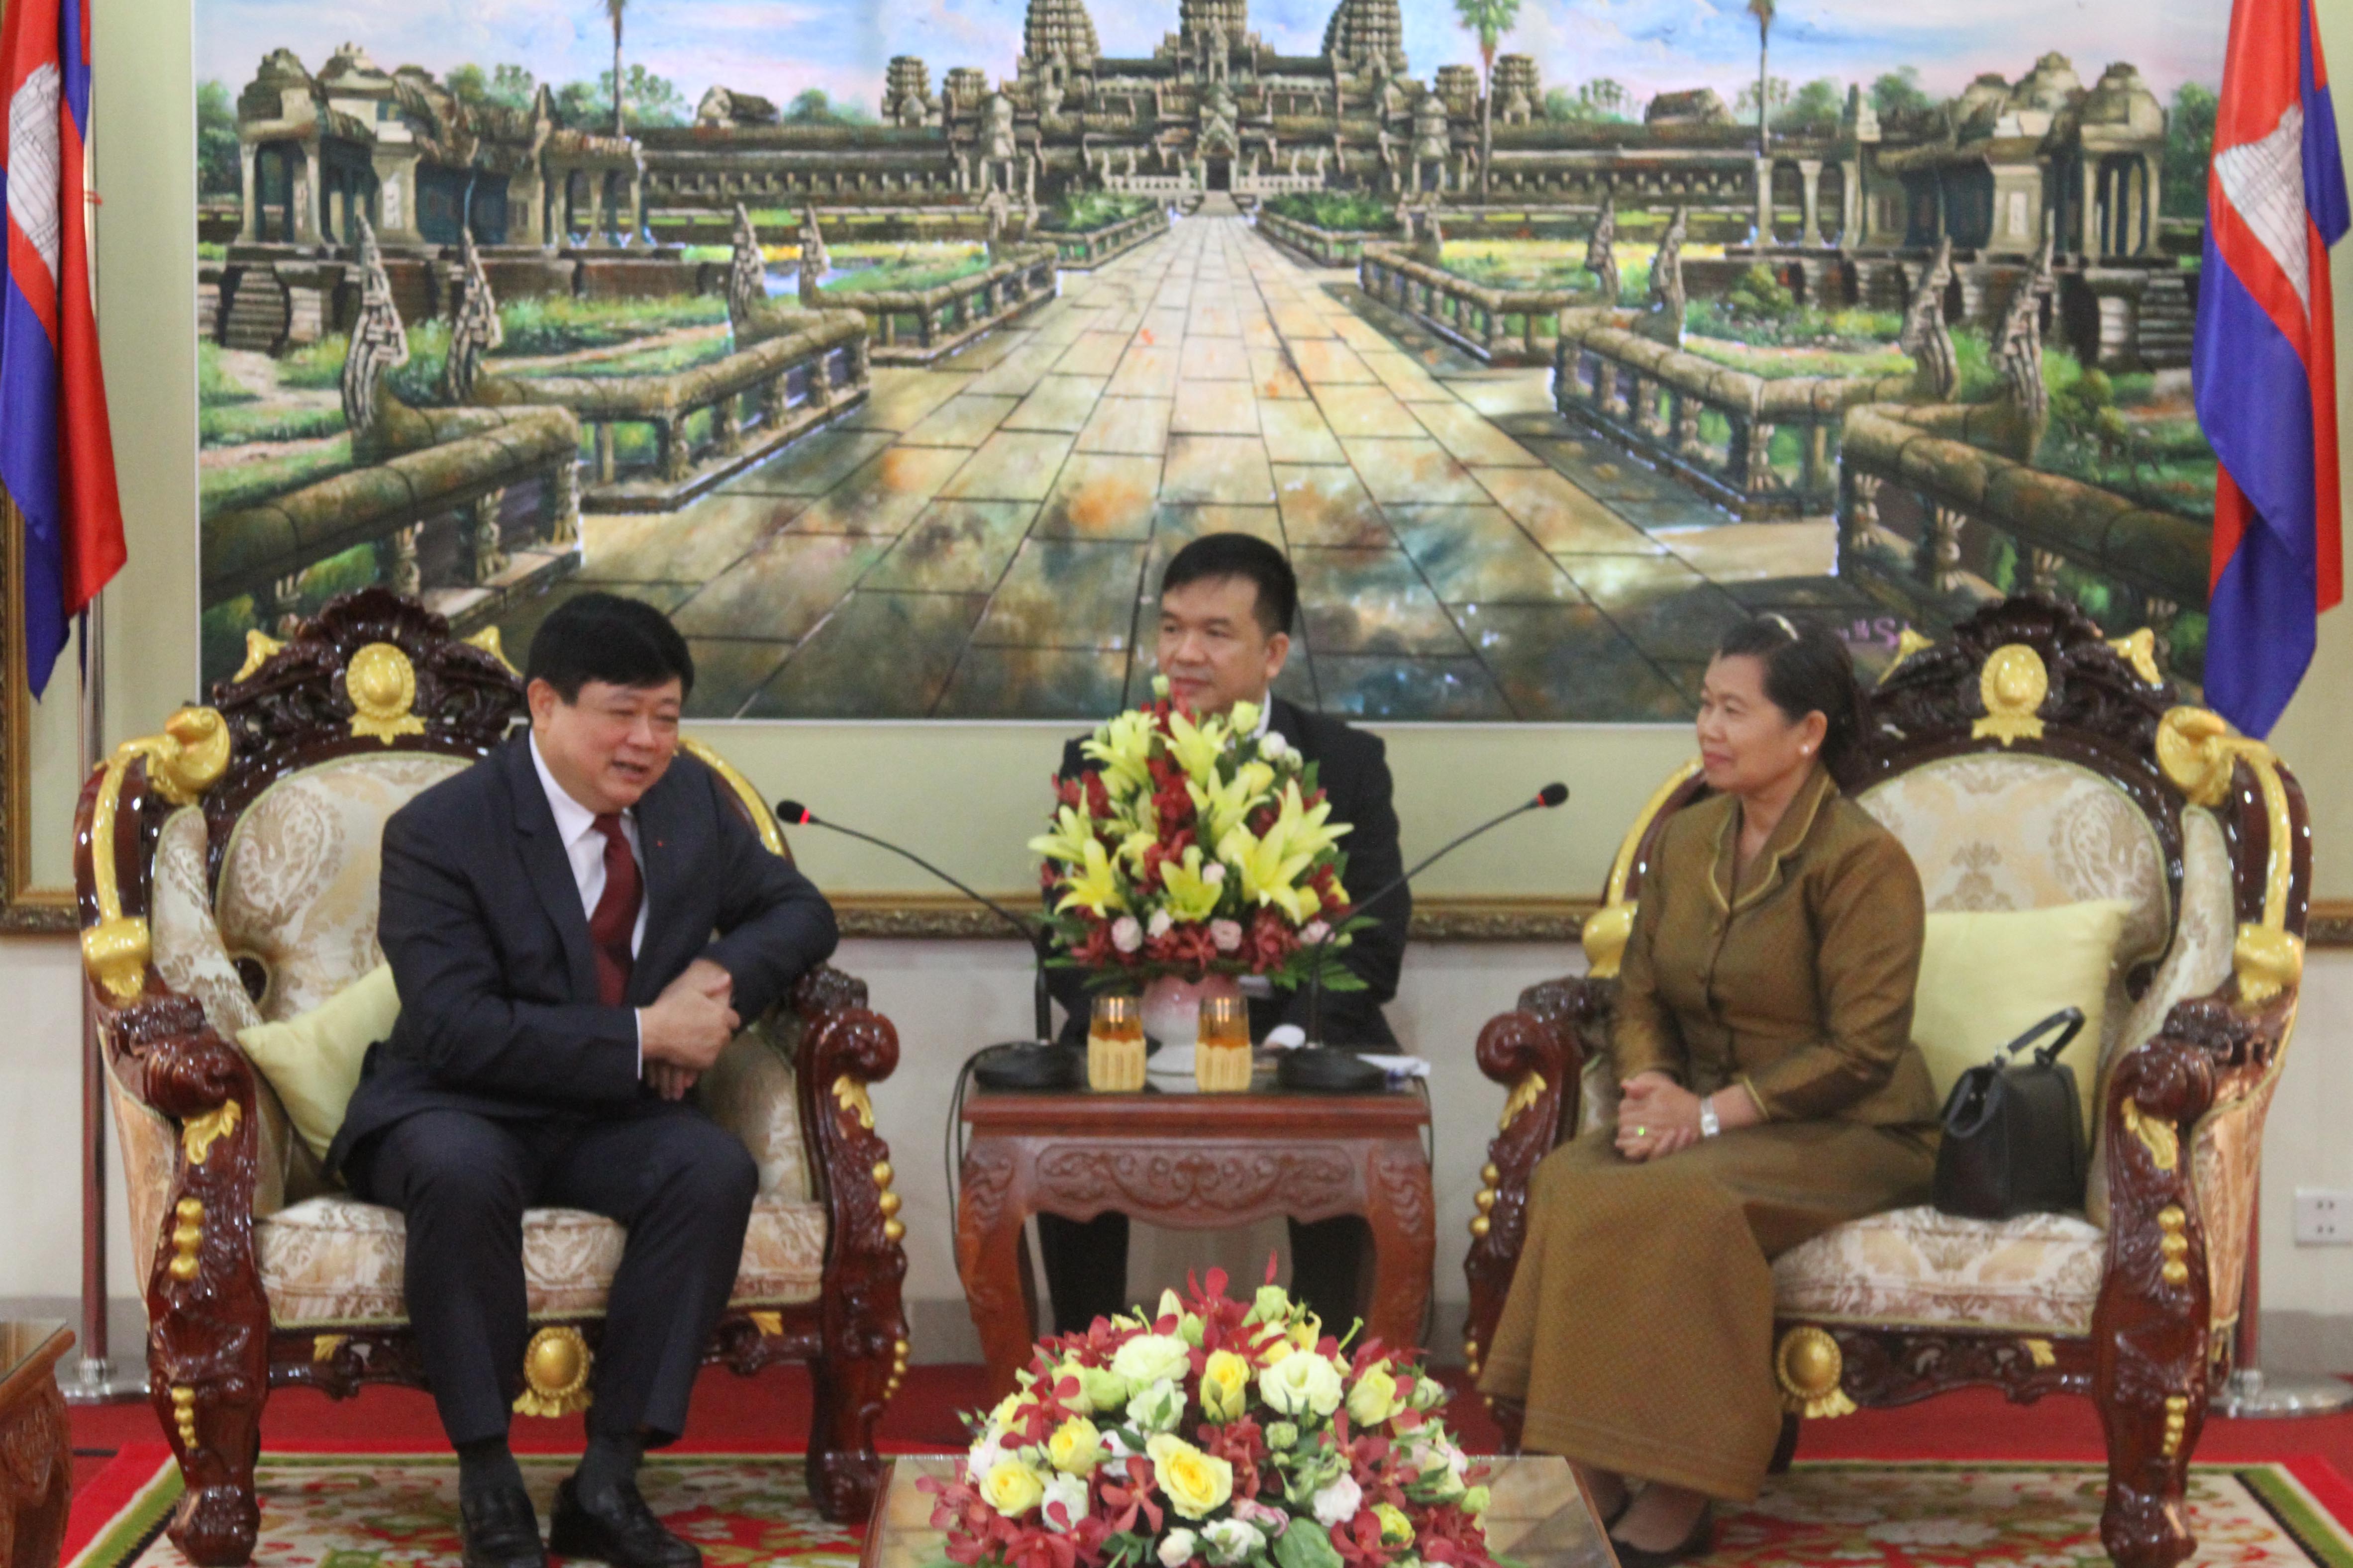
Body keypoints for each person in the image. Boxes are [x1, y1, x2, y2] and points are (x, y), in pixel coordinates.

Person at [327, 593, 840, 1568]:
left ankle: (607, 1481)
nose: (647, 742)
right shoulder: (443, 830)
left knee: (711, 1169)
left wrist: (714, 982)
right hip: (456, 1100)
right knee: (460, 1171)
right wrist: (646, 1034)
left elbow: (798, 912)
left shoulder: (689, 802)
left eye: (667, 716)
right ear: (545, 704)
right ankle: (488, 1479)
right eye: (622, 713)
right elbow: (456, 1026)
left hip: (609, 1115)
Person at [1476, 615, 1939, 1568]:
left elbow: (1862, 1048)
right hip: (1705, 1112)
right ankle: (1588, 1465)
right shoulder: (1686, 840)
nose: (1707, 728)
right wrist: (1649, 1084)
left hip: (1854, 1126)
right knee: (1572, 1178)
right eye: (1703, 705)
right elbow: (1639, 991)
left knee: (1685, 1199)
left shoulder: (1863, 861)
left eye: (1733, 710)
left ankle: (1683, 1490)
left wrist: (1708, 1116)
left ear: (1806, 733)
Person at [1036, 533, 1409, 1336]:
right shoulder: (1104, 757)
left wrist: (1281, 1039)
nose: (1184, 654)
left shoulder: (1344, 763)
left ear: (1272, 653)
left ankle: (1329, 1374)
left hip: (1295, 1027)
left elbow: (1373, 940)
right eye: (1171, 628)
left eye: (1214, 632)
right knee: (1062, 1119)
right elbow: (1062, 934)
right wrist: (1135, 1030)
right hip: (1137, 1031)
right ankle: (1079, 1365)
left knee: (1347, 1112)